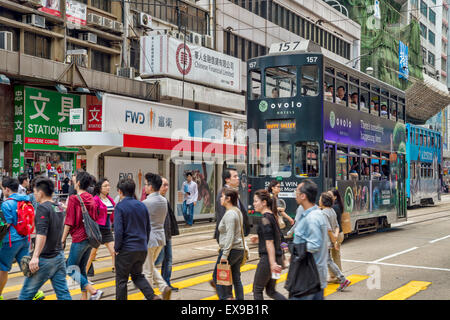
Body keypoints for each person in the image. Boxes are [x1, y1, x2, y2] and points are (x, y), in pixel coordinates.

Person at [19, 178, 72, 300]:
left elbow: (42, 234)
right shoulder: (58, 207)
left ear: (41, 192)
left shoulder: (43, 208)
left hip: (45, 259)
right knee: (63, 294)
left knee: (25, 295)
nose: (34, 195)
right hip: (59, 257)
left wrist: (36, 256)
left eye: (35, 192)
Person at [114, 178, 160, 300]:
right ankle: (153, 297)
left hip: (126, 250)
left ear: (120, 191)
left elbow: (118, 231)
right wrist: (143, 243)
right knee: (138, 276)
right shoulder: (142, 205)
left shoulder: (120, 207)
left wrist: (117, 248)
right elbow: (147, 228)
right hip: (141, 248)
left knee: (121, 281)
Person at [0, 177, 44, 301]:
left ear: (7, 189)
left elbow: (6, 224)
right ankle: (36, 292)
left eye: (3, 189)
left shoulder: (7, 203)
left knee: (2, 267)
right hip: (25, 238)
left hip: (10, 241)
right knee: (26, 266)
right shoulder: (26, 200)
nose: (3, 191)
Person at [62, 171, 103, 300]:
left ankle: (94, 291)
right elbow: (95, 217)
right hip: (90, 239)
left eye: (75, 180)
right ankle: (84, 297)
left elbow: (69, 221)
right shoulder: (91, 198)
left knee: (70, 268)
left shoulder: (74, 199)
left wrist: (62, 240)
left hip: (79, 238)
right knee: (82, 268)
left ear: (78, 183)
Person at [291, 179, 328, 300]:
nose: (295, 194)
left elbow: (314, 245)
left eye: (296, 191)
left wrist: (294, 248)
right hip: (315, 277)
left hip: (308, 279)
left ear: (303, 196)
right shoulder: (316, 213)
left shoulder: (312, 218)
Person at [250, 189, 287, 301]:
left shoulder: (265, 219)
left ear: (264, 202)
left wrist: (272, 263)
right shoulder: (272, 216)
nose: (254, 204)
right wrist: (259, 237)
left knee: (257, 289)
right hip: (277, 257)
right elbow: (278, 237)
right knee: (271, 291)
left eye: (256, 201)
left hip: (268, 259)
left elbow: (269, 242)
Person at [142, 172, 172, 300]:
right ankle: (163, 287)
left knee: (147, 271)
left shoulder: (146, 203)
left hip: (149, 240)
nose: (145, 187)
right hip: (160, 238)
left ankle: (150, 296)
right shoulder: (164, 200)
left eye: (146, 185)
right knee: (150, 266)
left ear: (151, 187)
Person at [212, 188, 245, 300]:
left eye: (222, 196)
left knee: (217, 277)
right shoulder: (237, 211)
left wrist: (225, 255)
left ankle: (226, 298)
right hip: (238, 250)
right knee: (235, 278)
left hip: (231, 250)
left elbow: (230, 235)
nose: (220, 198)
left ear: (228, 199)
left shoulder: (230, 214)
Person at [319, 192, 351, 291]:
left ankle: (342, 279)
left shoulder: (324, 213)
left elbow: (328, 229)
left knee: (327, 261)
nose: (319, 201)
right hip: (330, 240)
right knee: (327, 261)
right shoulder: (332, 211)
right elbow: (337, 226)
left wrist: (334, 241)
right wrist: (335, 239)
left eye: (320, 199)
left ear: (323, 202)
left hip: (325, 242)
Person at [86, 178, 116, 277]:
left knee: (114, 252)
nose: (108, 187)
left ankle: (118, 273)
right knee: (92, 255)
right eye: (105, 186)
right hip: (98, 230)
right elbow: (91, 214)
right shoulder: (95, 200)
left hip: (107, 230)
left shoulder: (110, 199)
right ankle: (84, 275)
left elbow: (113, 212)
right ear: (100, 188)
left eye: (109, 185)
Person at [154, 177, 180, 292]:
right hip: (159, 236)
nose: (166, 188)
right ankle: (142, 277)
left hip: (167, 234)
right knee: (157, 259)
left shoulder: (165, 200)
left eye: (167, 185)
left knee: (168, 259)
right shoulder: (153, 200)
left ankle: (166, 283)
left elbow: (170, 217)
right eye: (164, 185)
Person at [214, 168, 250, 243]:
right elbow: (222, 215)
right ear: (227, 179)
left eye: (238, 176)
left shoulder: (233, 192)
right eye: (235, 176)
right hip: (229, 237)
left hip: (235, 235)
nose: (238, 178)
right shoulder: (223, 194)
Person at [328, 189, 344, 274]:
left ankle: (337, 276)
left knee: (334, 256)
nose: (328, 196)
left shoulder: (334, 208)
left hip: (336, 235)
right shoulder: (337, 206)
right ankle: (335, 275)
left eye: (330, 195)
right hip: (338, 233)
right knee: (335, 255)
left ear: (335, 197)